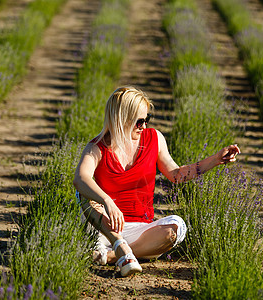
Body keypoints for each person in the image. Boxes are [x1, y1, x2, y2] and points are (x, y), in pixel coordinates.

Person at [73, 86, 240, 276]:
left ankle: (113, 255)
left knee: (177, 227)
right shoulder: (97, 147)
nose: (144, 126)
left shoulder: (154, 139)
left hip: (140, 228)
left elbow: (177, 174)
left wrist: (216, 159)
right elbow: (80, 177)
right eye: (139, 121)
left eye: (147, 120)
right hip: (104, 225)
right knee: (84, 195)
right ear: (121, 119)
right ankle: (120, 246)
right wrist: (107, 201)